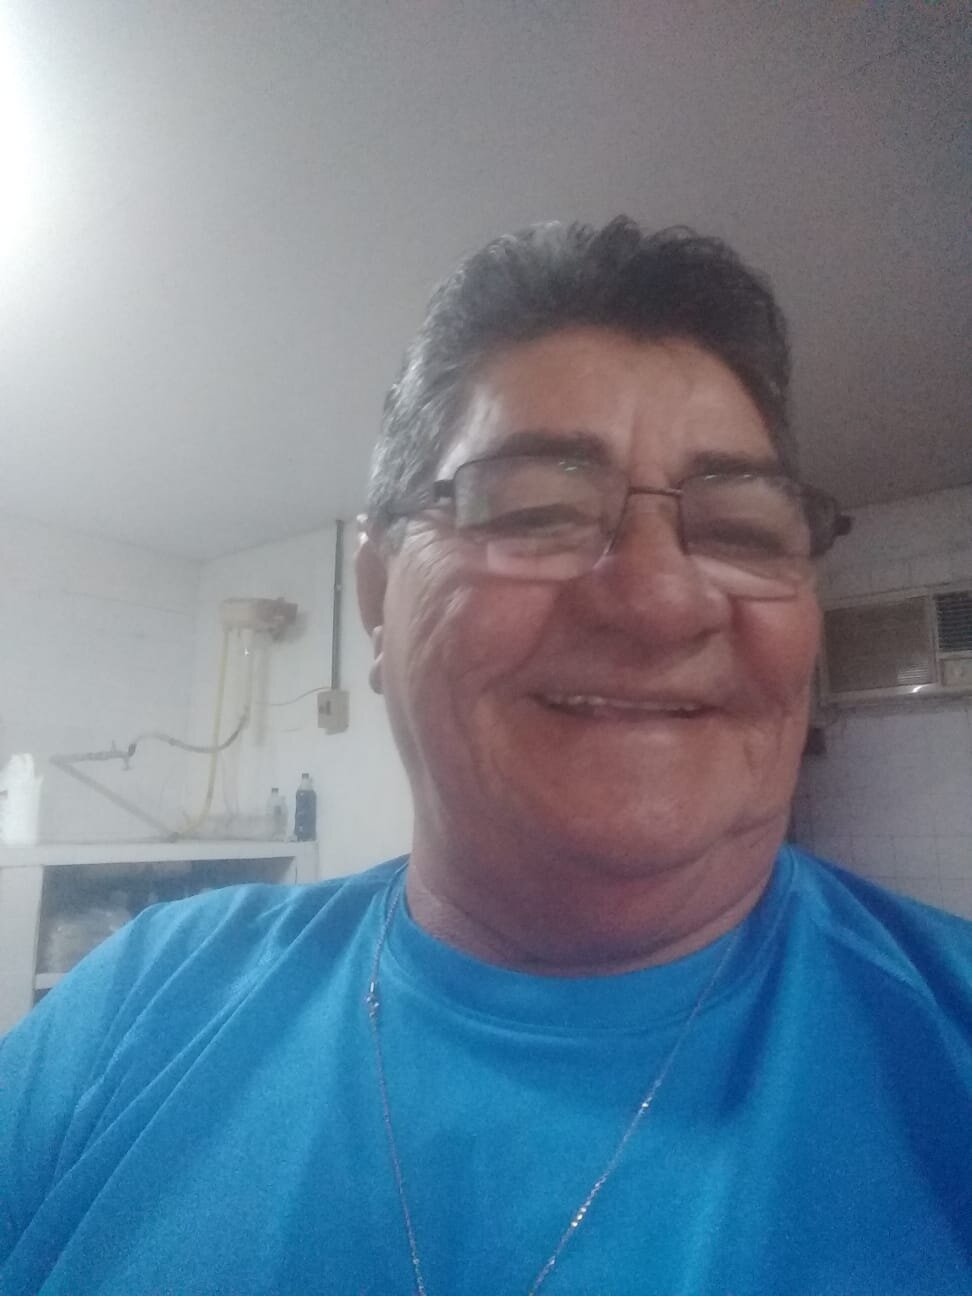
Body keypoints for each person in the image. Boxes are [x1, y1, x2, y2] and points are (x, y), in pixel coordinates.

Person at [1, 218, 970, 1295]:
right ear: (378, 598)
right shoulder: (143, 1003)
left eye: (742, 530)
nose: (660, 599)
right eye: (539, 512)